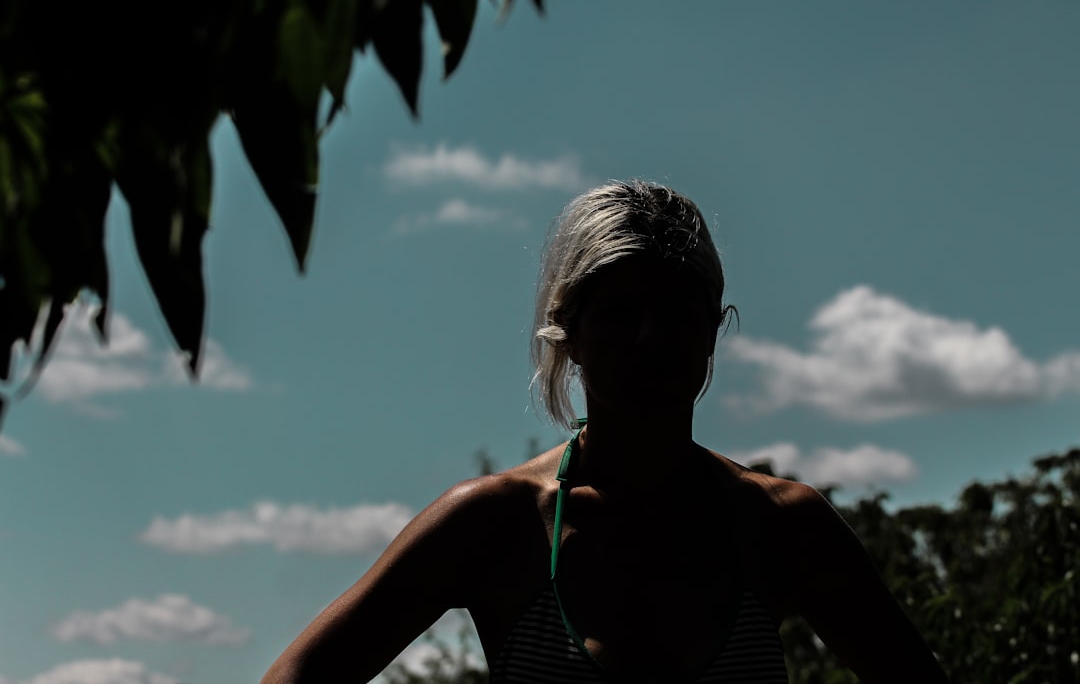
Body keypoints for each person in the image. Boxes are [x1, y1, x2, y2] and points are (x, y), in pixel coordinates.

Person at [262, 181, 950, 683]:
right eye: (620, 312)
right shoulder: (497, 525)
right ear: (574, 333)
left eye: (678, 311)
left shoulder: (781, 527)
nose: (651, 339)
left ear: (712, 328)